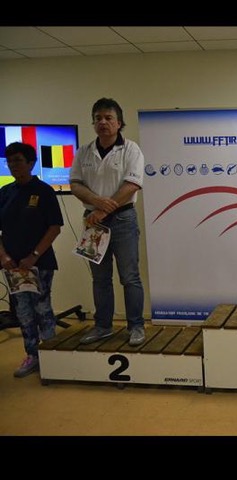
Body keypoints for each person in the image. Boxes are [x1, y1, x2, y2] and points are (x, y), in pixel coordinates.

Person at [70, 97, 146, 346]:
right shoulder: (84, 151)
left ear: (119, 122)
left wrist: (103, 210)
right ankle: (103, 326)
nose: (103, 122)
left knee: (129, 277)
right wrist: (95, 201)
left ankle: (136, 326)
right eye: (98, 118)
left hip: (123, 219)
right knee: (100, 279)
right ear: (93, 123)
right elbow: (75, 184)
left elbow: (132, 184)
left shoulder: (131, 149)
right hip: (93, 222)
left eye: (108, 118)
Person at [0, 142, 63, 377]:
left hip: (39, 263)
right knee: (23, 312)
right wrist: (3, 256)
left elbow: (54, 228)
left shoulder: (44, 191)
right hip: (12, 265)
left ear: (31, 163)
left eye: (18, 160)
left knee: (42, 308)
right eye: (9, 161)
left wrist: (33, 256)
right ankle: (32, 355)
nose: (13, 165)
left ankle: (51, 355)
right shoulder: (4, 192)